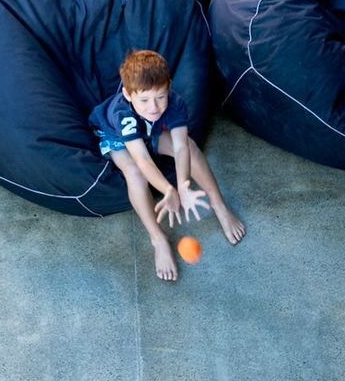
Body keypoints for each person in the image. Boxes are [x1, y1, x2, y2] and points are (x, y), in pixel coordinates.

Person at [88, 50, 246, 281]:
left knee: (191, 146)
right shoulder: (123, 114)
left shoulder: (173, 103)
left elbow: (182, 147)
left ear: (169, 87)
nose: (153, 107)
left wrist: (182, 185)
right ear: (128, 94)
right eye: (144, 100)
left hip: (149, 131)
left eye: (160, 97)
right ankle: (157, 238)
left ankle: (219, 205)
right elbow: (142, 159)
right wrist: (168, 190)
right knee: (133, 172)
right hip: (116, 136)